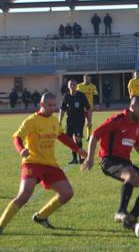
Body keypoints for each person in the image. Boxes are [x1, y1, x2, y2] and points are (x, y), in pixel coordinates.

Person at [0, 93, 86, 235]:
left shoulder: (54, 121)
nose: (53, 108)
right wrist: (21, 150)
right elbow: (17, 138)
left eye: (54, 105)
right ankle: (1, 225)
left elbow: (62, 137)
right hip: (32, 163)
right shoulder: (31, 121)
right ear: (41, 105)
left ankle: (41, 217)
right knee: (24, 195)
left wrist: (78, 149)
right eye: (50, 105)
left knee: (67, 193)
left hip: (50, 164)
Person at [81, 95, 139, 230]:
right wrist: (90, 159)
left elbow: (136, 143)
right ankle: (120, 211)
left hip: (125, 162)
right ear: (132, 107)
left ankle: (131, 219)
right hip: (109, 160)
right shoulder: (117, 120)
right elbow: (95, 135)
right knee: (131, 175)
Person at [59, 79, 91, 164]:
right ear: (68, 86)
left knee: (77, 139)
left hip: (79, 120)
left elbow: (88, 109)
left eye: (74, 84)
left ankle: (81, 158)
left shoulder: (81, 96)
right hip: (69, 121)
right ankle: (74, 159)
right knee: (70, 140)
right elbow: (62, 109)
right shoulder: (66, 96)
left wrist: (89, 121)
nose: (72, 86)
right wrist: (60, 121)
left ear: (76, 86)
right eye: (71, 85)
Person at [77, 75, 98, 139]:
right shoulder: (79, 86)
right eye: (86, 78)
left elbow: (96, 96)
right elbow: (76, 95)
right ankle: (80, 134)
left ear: (90, 79)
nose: (87, 80)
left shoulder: (93, 86)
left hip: (89, 107)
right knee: (80, 121)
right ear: (83, 78)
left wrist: (96, 104)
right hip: (81, 107)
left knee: (89, 122)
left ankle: (89, 136)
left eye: (88, 79)